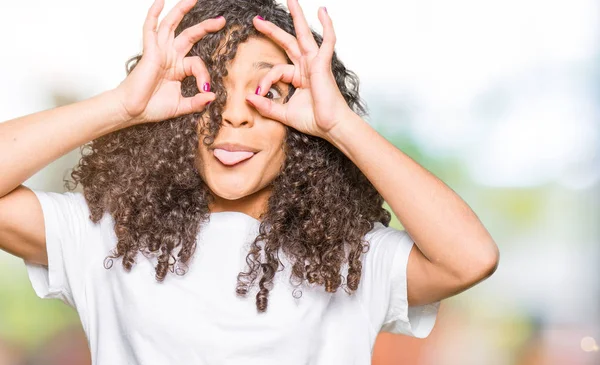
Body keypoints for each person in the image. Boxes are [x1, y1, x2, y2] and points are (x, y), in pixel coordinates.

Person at [0, 0, 500, 363]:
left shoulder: (347, 259)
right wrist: (122, 107)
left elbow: (471, 258)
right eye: (209, 89)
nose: (233, 116)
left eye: (267, 91)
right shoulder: (106, 238)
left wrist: (340, 126)